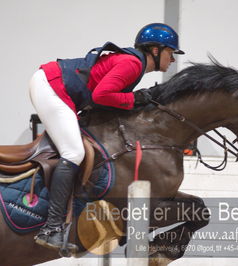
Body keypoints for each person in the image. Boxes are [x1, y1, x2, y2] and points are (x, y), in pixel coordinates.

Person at [29, 22, 184, 251]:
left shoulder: (136, 65)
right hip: (51, 86)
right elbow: (101, 96)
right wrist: (135, 99)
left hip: (58, 86)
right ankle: (51, 228)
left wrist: (135, 100)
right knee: (74, 152)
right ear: (155, 50)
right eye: (170, 53)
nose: (172, 60)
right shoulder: (132, 63)